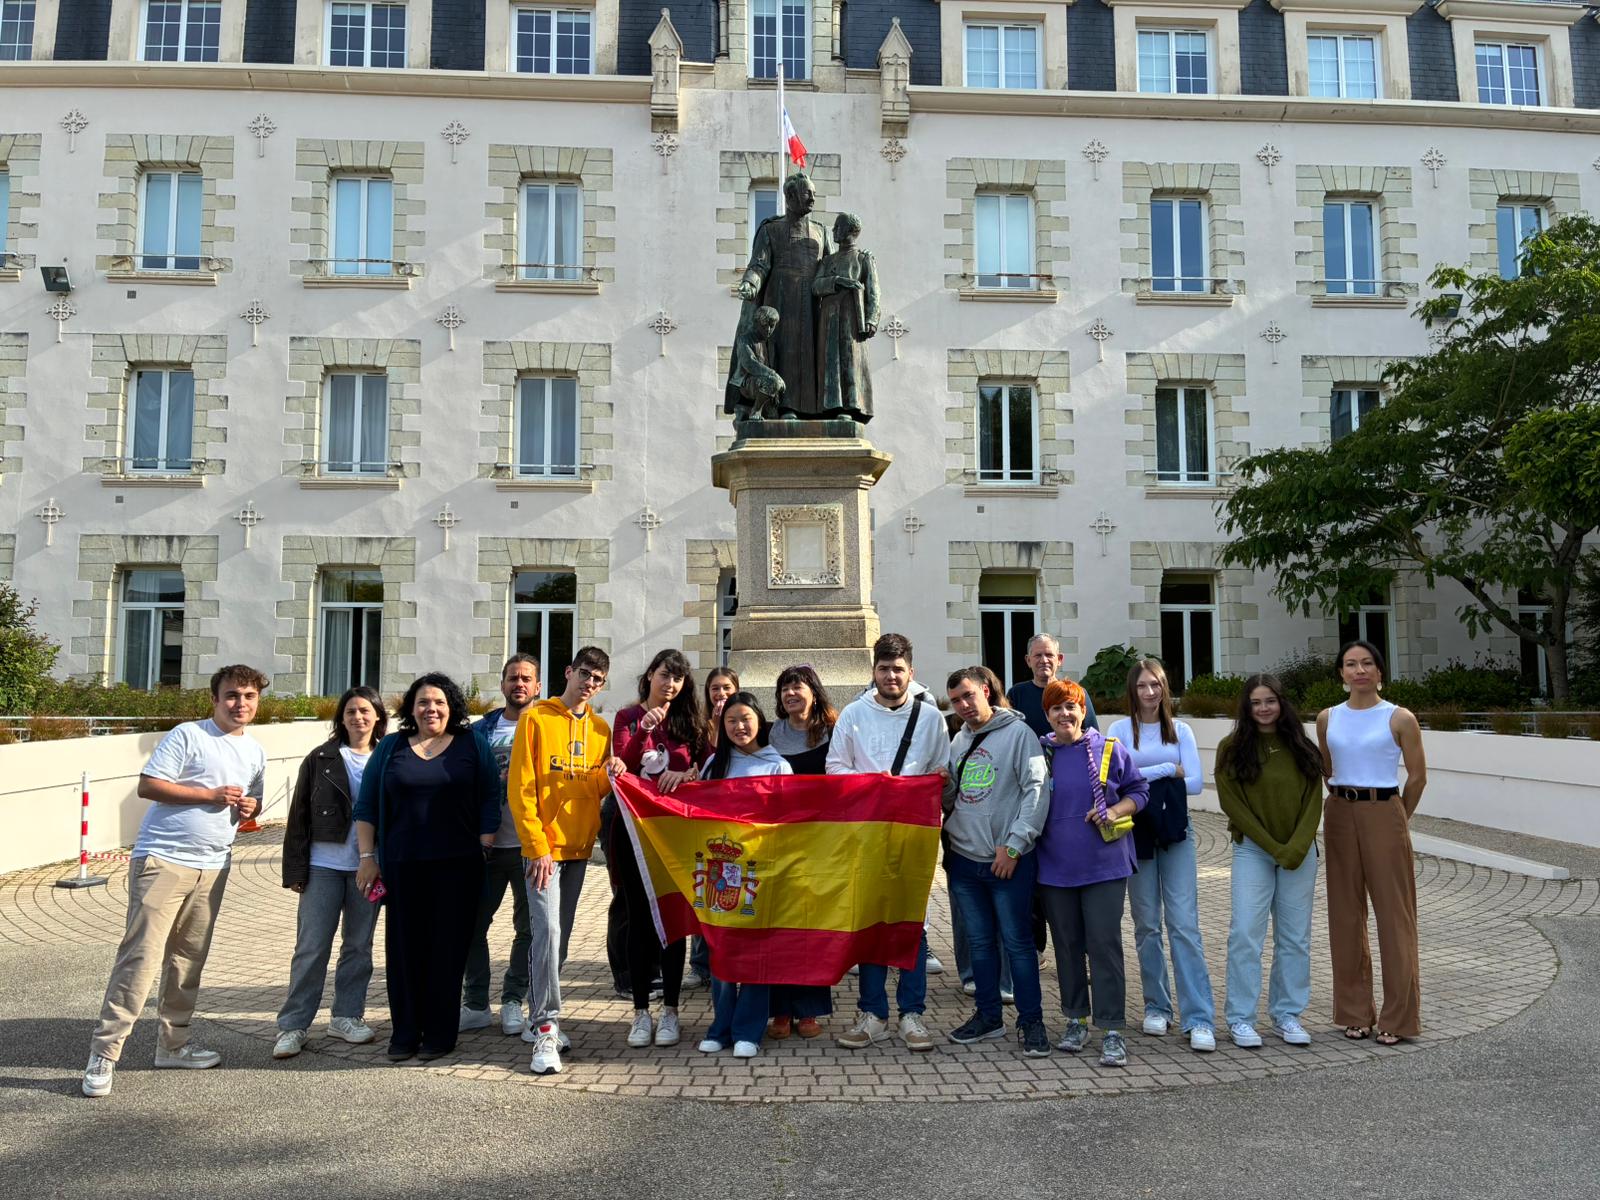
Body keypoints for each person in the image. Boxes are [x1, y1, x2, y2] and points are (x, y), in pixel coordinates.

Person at [82, 665, 269, 1098]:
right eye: (231, 695)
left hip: (214, 865)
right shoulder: (189, 734)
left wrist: (248, 809)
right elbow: (149, 786)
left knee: (188, 961)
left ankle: (174, 1045)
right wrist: (210, 795)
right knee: (140, 959)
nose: (240, 703)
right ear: (215, 698)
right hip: (163, 861)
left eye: (248, 696)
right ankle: (104, 1054)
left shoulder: (255, 752)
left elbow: (250, 806)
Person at [353, 674, 499, 1063]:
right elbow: (366, 806)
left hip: (459, 867)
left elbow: (490, 795)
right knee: (404, 951)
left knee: (447, 951)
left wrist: (485, 842)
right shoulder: (390, 747)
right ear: (410, 708)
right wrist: (368, 859)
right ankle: (404, 1033)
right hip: (402, 867)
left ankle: (439, 1033)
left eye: (438, 702)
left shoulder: (473, 744)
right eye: (422, 702)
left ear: (451, 707)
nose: (430, 709)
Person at [827, 633, 951, 1052]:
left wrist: (927, 786)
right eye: (884, 669)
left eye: (899, 669)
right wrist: (876, 785)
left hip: (913, 835)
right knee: (869, 922)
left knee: (910, 923)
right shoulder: (853, 715)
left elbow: (940, 768)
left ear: (910, 673)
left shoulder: (930, 718)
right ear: (874, 672)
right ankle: (872, 1012)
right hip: (864, 835)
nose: (891, 676)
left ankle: (911, 1013)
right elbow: (834, 768)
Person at [508, 645, 623, 1075]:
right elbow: (520, 788)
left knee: (560, 937)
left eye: (598, 680)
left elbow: (592, 788)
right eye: (585, 675)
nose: (590, 684)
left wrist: (608, 774)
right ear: (569, 671)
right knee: (547, 931)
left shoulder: (599, 728)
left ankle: (541, 1013)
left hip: (578, 848)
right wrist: (536, 845)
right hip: (544, 851)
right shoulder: (536, 718)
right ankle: (544, 1028)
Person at [1318, 639, 1427, 1046]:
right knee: (1345, 915)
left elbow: (1417, 777)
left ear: (1380, 671)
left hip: (1384, 810)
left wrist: (1397, 817)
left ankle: (1398, 1018)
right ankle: (1354, 1013)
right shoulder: (1328, 718)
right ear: (1341, 673)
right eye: (1350, 664)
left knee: (1394, 918)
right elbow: (1328, 769)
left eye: (1367, 663)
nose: (1359, 670)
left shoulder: (1399, 718)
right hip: (1340, 811)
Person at [1036, 679, 1149, 1068]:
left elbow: (1139, 790)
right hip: (1054, 867)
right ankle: (1075, 1020)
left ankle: (1113, 1028)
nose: (1064, 714)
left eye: (1071, 706)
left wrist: (1115, 811)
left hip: (1104, 866)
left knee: (1103, 945)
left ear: (1083, 710)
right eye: (1056, 708)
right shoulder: (1041, 752)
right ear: (1047, 714)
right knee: (1066, 947)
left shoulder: (1110, 749)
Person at [1108, 660, 1217, 1053]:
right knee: (1146, 925)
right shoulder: (1119, 731)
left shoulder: (1181, 729)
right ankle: (1157, 1006)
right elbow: (1113, 780)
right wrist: (1167, 768)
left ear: (1165, 687)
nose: (1150, 693)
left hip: (1176, 835)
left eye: (1156, 685)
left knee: (1184, 925)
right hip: (1135, 837)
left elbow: (1195, 783)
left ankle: (1199, 1017)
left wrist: (1144, 774)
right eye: (1142, 686)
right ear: (1132, 690)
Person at [942, 668, 1051, 1057]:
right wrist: (943, 785)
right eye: (955, 700)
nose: (964, 706)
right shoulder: (957, 742)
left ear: (986, 691)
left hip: (1007, 860)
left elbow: (1037, 790)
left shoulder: (1019, 735)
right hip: (965, 862)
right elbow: (955, 798)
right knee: (980, 945)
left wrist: (1015, 845)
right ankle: (988, 1017)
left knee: (1018, 945)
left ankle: (1031, 1022)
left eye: (969, 696)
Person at [274, 685, 387, 1059]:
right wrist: (295, 870)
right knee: (311, 947)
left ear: (377, 716)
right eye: (351, 711)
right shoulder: (321, 757)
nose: (358, 717)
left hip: (367, 869)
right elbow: (298, 817)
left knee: (358, 947)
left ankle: (346, 1016)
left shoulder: (387, 756)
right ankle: (293, 1025)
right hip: (323, 866)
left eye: (365, 711)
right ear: (341, 718)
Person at [1216, 674, 1325, 1049]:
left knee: (1295, 939)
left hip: (1300, 852)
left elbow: (1314, 799)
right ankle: (1241, 1018)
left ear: (1282, 703)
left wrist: (1297, 846)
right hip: (1254, 851)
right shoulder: (1231, 748)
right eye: (1256, 702)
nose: (1263, 709)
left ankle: (1286, 1014)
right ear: (1246, 707)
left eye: (1270, 701)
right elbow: (1232, 805)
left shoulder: (1301, 746)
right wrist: (1275, 848)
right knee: (1245, 935)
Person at [611, 649, 706, 1051]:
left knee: (672, 913)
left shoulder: (689, 723)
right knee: (637, 917)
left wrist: (687, 773)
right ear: (650, 675)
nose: (670, 684)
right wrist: (645, 729)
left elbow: (703, 770)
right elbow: (624, 765)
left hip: (673, 834)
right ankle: (640, 1012)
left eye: (678, 679)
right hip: (630, 829)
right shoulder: (627, 717)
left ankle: (670, 1010)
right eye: (665, 675)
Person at [696, 692, 794, 1058]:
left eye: (746, 718)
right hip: (720, 872)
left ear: (760, 721)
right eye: (732, 721)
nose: (739, 726)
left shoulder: (777, 767)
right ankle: (720, 1027)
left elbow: (788, 822)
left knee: (756, 954)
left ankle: (749, 1030)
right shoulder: (713, 766)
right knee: (721, 952)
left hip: (761, 872)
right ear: (722, 727)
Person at [459, 655, 541, 1038]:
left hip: (530, 848)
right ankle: (475, 1003)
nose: (519, 684)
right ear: (503, 684)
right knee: (472, 925)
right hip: (487, 848)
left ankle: (513, 1001)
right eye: (512, 678)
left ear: (538, 687)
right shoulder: (480, 731)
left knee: (528, 930)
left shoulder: (546, 728)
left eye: (526, 678)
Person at [765, 663, 838, 1038]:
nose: (791, 694)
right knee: (778, 927)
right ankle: (779, 1011)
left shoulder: (834, 731)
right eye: (784, 689)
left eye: (798, 687)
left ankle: (809, 1010)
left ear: (814, 691)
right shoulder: (768, 734)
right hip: (777, 842)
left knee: (812, 927)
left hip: (819, 842)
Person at [684, 666, 740, 988]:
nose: (721, 694)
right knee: (704, 890)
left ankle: (727, 960)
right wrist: (715, 725)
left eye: (727, 688)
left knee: (732, 890)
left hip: (734, 822)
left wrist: (725, 722)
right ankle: (699, 963)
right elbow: (705, 761)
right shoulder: (699, 727)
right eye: (716, 689)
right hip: (705, 820)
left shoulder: (743, 721)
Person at [811, 211, 879, 421]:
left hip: (852, 318)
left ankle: (851, 406)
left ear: (851, 231)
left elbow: (873, 292)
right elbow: (815, 286)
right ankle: (831, 406)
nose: (833, 231)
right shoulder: (828, 260)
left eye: (837, 227)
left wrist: (871, 320)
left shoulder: (863, 259)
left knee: (851, 361)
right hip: (829, 318)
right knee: (830, 360)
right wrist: (838, 281)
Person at [1006, 634, 1099, 739]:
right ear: (1028, 660)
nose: (1044, 660)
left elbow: (1093, 736)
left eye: (1049, 655)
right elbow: (1007, 735)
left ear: (1059, 659)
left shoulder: (1075, 693)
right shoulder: (1016, 694)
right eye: (1038, 655)